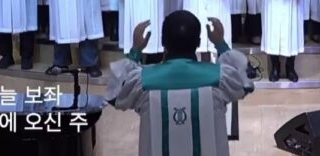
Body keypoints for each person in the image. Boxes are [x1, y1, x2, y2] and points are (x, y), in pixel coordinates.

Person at [107, 14, 253, 156]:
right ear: (198, 42)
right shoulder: (220, 78)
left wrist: (135, 51)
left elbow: (115, 95)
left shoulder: (142, 81)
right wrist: (221, 45)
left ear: (163, 42)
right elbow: (245, 82)